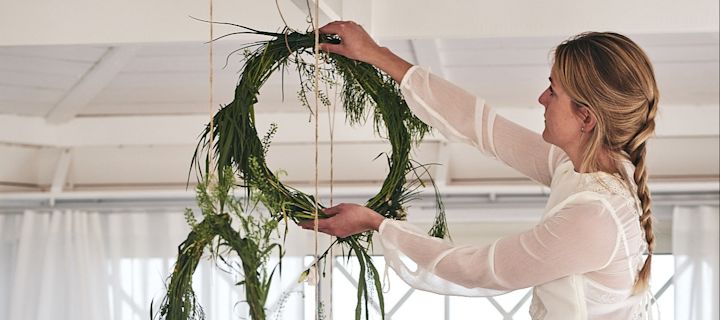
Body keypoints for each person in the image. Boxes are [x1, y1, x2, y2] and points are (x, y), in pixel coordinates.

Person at [300, 21, 658, 319]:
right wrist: (374, 53)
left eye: (554, 90)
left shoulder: (594, 218)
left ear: (587, 118)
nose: (541, 99)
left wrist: (377, 223)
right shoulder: (582, 168)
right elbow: (483, 127)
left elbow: (479, 269)